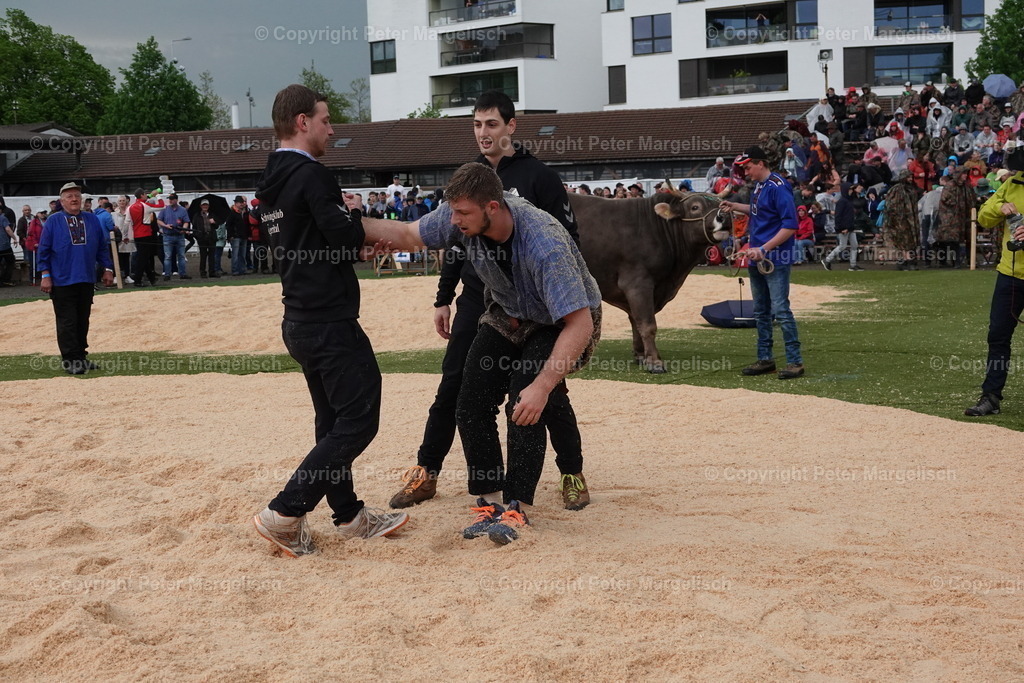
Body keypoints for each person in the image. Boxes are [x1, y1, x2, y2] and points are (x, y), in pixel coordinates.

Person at [361, 161, 602, 544]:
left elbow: (580, 324)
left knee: (526, 403)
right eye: (452, 211)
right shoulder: (461, 214)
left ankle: (517, 509)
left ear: (493, 207)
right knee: (469, 400)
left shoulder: (544, 242)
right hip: (507, 314)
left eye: (462, 213)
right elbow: (407, 233)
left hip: (558, 323)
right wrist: (340, 222)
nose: (454, 220)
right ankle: (488, 502)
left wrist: (541, 386)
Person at [387, 89, 591, 514]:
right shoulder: (468, 182)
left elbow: (569, 253)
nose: (483, 132)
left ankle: (558, 478)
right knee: (460, 386)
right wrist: (443, 296)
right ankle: (439, 474)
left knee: (541, 393)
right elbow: (438, 238)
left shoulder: (539, 183)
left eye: (491, 123)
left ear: (510, 126)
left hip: (547, 301)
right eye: (477, 124)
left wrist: (545, 365)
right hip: (486, 298)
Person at [251, 84, 408, 558]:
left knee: (332, 422)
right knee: (359, 420)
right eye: (325, 119)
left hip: (297, 318)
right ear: (302, 121)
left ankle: (350, 516)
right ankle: (283, 512)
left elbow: (314, 241)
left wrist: (352, 248)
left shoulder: (272, 179)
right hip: (329, 321)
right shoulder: (311, 174)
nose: (331, 128)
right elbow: (339, 227)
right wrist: (381, 231)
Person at [722, 146, 805, 379]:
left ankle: (795, 361)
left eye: (748, 167)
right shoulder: (760, 186)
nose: (746, 172)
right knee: (761, 311)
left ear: (760, 163)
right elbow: (760, 212)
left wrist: (763, 248)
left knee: (780, 309)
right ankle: (765, 358)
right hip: (758, 256)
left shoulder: (779, 187)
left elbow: (790, 226)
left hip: (774, 257)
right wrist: (736, 206)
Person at [964, 142, 1024, 416]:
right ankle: (991, 397)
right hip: (1010, 274)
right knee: (998, 337)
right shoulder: (1012, 183)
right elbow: (985, 216)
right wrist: (1000, 208)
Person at [35, 182, 114, 374]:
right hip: (62, 280)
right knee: (67, 321)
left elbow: (102, 246)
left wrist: (108, 268)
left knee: (82, 319)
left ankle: (81, 356)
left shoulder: (92, 219)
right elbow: (43, 250)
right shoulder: (54, 221)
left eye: (77, 196)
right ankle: (70, 360)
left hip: (86, 278)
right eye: (69, 196)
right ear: (62, 201)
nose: (74, 199)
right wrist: (45, 275)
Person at [822, 182, 862, 272]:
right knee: (842, 246)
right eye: (850, 189)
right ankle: (827, 259)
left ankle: (853, 265)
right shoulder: (842, 201)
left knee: (854, 245)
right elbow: (838, 216)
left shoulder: (848, 200)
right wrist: (840, 228)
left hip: (850, 227)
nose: (851, 191)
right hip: (844, 228)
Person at [157, 194, 191, 280]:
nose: (170, 200)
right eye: (169, 199)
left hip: (180, 235)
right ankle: (167, 274)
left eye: (172, 199)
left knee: (181, 256)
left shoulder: (183, 210)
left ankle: (183, 274)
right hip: (168, 235)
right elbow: (159, 220)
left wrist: (184, 228)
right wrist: (166, 225)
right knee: (168, 256)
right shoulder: (164, 209)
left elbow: (186, 221)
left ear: (176, 199)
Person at [194, 199, 219, 277]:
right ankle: (203, 272)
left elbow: (217, 226)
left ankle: (212, 272)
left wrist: (214, 222)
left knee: (212, 256)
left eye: (206, 205)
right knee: (203, 256)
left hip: (211, 237)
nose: (205, 206)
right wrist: (197, 236)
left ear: (208, 206)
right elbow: (194, 227)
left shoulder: (212, 214)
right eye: (203, 205)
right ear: (201, 206)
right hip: (202, 238)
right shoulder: (197, 215)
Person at [226, 196, 249, 276]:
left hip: (243, 236)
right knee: (235, 254)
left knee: (242, 254)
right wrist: (230, 236)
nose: (242, 204)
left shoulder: (244, 212)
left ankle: (242, 269)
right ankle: (235, 270)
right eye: (240, 203)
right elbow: (228, 225)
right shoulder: (231, 212)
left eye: (242, 202)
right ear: (236, 203)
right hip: (235, 236)